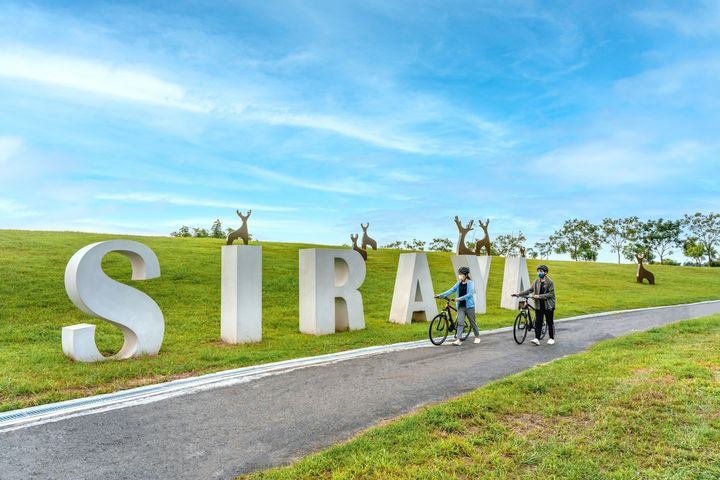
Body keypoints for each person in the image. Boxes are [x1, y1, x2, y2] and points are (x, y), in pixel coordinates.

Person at [434, 266, 481, 346]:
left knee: (472, 322)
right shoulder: (458, 283)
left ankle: (477, 337)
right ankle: (458, 339)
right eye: (459, 274)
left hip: (469, 307)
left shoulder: (470, 283)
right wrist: (440, 295)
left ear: (466, 275)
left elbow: (470, 294)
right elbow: (451, 290)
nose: (459, 275)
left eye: (461, 274)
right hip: (461, 307)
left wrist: (459, 298)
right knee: (460, 322)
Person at [513, 264, 556, 346]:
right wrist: (518, 294)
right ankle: (536, 339)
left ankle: (551, 338)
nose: (539, 272)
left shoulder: (550, 282)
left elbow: (551, 294)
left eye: (541, 271)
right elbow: (529, 290)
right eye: (538, 271)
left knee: (549, 322)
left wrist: (539, 296)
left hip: (548, 306)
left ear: (545, 273)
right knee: (538, 322)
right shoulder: (536, 281)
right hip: (539, 305)